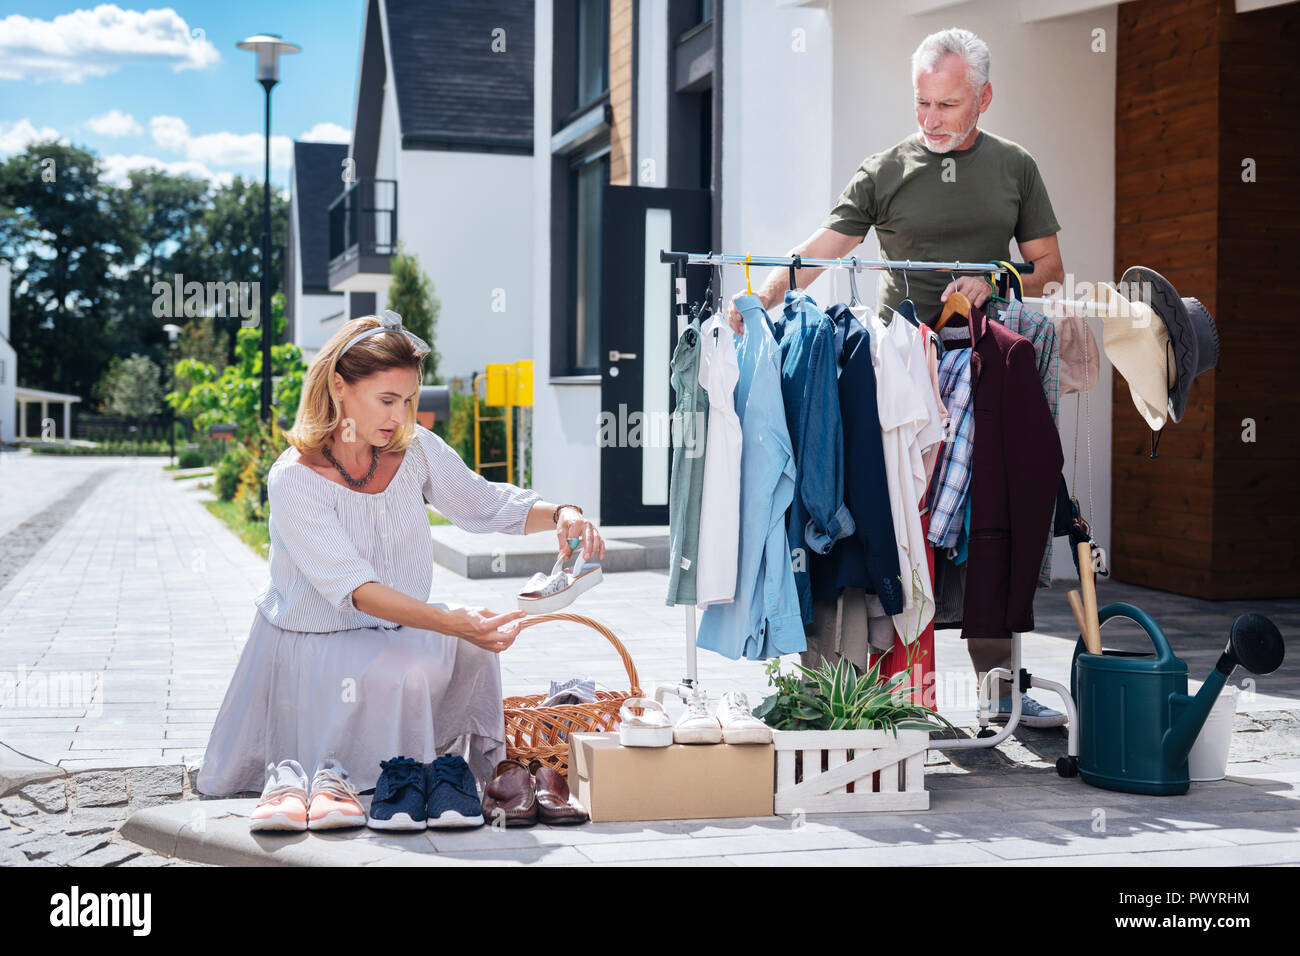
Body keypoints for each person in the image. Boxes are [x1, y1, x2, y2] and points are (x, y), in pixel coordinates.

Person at [728, 27, 1066, 727]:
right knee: (894, 521)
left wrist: (997, 276)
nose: (930, 120)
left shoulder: (1015, 168)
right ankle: (870, 687)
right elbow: (823, 249)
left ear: (984, 97)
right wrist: (757, 300)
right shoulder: (884, 170)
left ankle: (1001, 692)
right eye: (922, 105)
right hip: (897, 372)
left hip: (983, 367)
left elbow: (1050, 268)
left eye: (946, 105)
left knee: (988, 525)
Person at [195, 311, 606, 796]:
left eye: (409, 400)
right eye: (386, 400)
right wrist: (449, 621)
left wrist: (562, 514)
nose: (399, 416)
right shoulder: (294, 479)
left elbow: (482, 504)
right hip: (319, 637)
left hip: (395, 624)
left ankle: (454, 772)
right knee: (412, 665)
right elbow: (358, 592)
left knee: (477, 645)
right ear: (339, 386)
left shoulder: (414, 450)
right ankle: (388, 780)